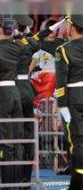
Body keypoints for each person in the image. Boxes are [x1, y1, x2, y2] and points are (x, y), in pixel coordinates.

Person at [13, 15, 65, 183]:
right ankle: (26, 177)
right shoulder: (33, 43)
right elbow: (40, 36)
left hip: (14, 91)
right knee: (28, 132)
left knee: (16, 134)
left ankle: (16, 175)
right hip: (29, 91)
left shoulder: (5, 46)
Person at [0, 15, 24, 186]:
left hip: (1, 94)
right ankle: (17, 182)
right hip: (16, 91)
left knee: (4, 141)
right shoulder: (19, 48)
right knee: (17, 140)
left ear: (0, 28)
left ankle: (8, 184)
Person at [55, 15, 83, 185]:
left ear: (73, 28)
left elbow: (61, 81)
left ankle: (78, 183)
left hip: (73, 98)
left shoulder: (64, 49)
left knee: (76, 141)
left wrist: (62, 105)